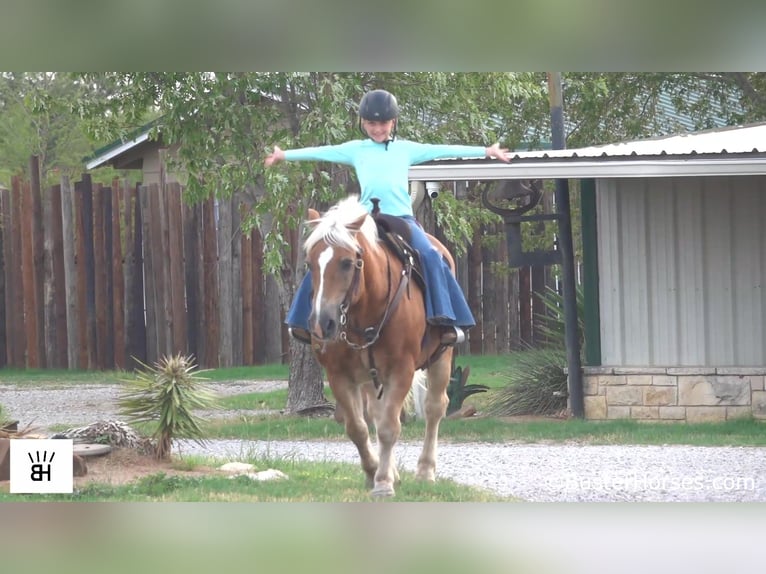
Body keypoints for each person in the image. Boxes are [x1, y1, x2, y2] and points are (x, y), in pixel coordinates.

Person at [265, 88, 510, 346]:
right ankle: (301, 319)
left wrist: (486, 151)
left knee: (429, 254)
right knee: (326, 257)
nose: (377, 129)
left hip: (401, 219)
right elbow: (322, 151)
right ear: (363, 123)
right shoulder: (355, 149)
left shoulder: (406, 149)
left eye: (383, 123)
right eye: (371, 123)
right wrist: (284, 155)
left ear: (393, 122)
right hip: (365, 219)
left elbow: (441, 148)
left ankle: (448, 319)